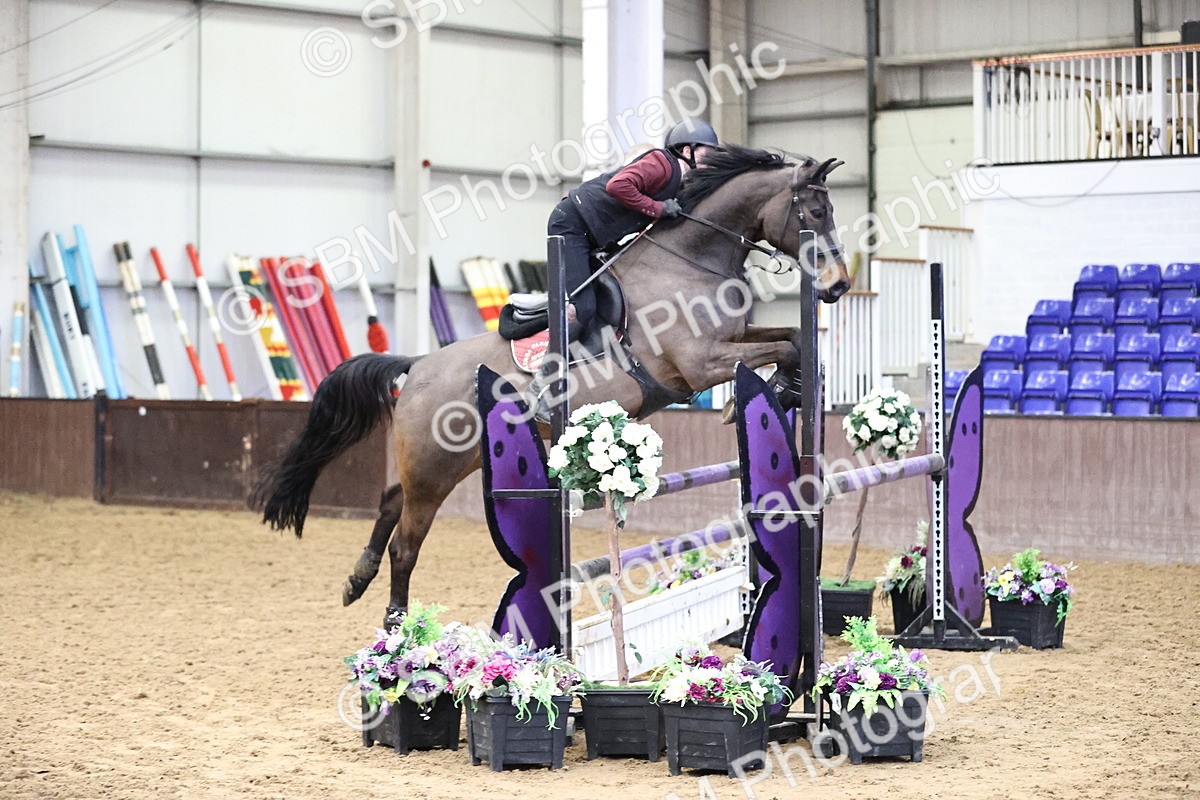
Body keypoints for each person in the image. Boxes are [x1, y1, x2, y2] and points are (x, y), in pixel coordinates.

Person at [547, 119, 720, 337]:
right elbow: (617, 185)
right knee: (585, 307)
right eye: (708, 153)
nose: (713, 160)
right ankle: (549, 365)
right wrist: (658, 208)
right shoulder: (662, 163)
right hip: (571, 223)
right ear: (687, 150)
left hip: (593, 234)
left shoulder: (679, 183)